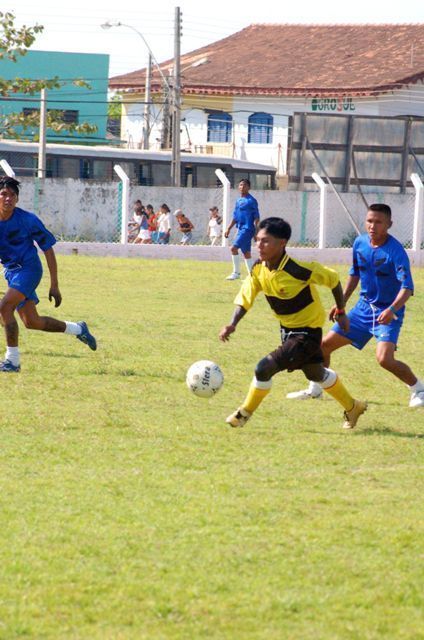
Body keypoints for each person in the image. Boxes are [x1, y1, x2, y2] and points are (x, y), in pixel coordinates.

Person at [219, 217, 367, 429]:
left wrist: (341, 311)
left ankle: (244, 414)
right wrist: (232, 324)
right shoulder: (258, 269)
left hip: (307, 333)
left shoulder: (297, 270)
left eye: (266, 241)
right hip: (287, 330)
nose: (259, 245)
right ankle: (353, 407)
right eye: (258, 240)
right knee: (314, 373)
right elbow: (246, 296)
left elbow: (333, 280)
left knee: (263, 369)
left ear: (282, 243)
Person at [286, 203, 424, 407]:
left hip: (388, 312)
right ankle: (315, 389)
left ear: (389, 224)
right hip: (362, 310)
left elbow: (408, 288)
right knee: (323, 346)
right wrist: (341, 304)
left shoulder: (395, 252)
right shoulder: (359, 243)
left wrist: (392, 309)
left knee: (385, 359)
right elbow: (355, 274)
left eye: (378, 222)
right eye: (369, 221)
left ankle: (418, 389)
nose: (372, 226)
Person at [0, 176, 96, 372]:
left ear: (17, 199)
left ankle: (12, 361)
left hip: (29, 270)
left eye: (12, 195)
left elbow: (48, 249)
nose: (7, 198)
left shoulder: (28, 220)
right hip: (11, 272)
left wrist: (54, 284)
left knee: (4, 308)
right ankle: (78, 329)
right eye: (3, 194)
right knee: (31, 322)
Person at [224, 178, 260, 280]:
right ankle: (253, 276)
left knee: (233, 248)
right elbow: (235, 217)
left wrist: (256, 231)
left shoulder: (251, 201)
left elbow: (257, 217)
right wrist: (228, 228)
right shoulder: (238, 200)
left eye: (244, 185)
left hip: (248, 229)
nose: (242, 187)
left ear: (249, 187)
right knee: (246, 253)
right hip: (240, 229)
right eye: (240, 185)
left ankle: (236, 273)